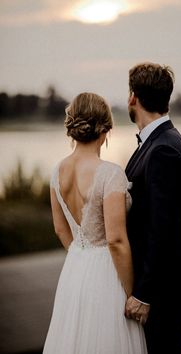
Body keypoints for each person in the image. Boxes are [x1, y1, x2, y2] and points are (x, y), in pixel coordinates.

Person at [43, 92, 147, 354]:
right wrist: (132, 292)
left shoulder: (57, 171)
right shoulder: (110, 174)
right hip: (107, 274)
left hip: (75, 269)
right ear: (106, 129)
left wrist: (82, 255)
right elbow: (116, 240)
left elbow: (59, 228)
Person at [125, 62, 181, 354]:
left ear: (133, 97)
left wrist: (144, 294)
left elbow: (162, 230)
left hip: (161, 296)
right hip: (160, 292)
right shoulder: (161, 141)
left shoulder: (163, 149)